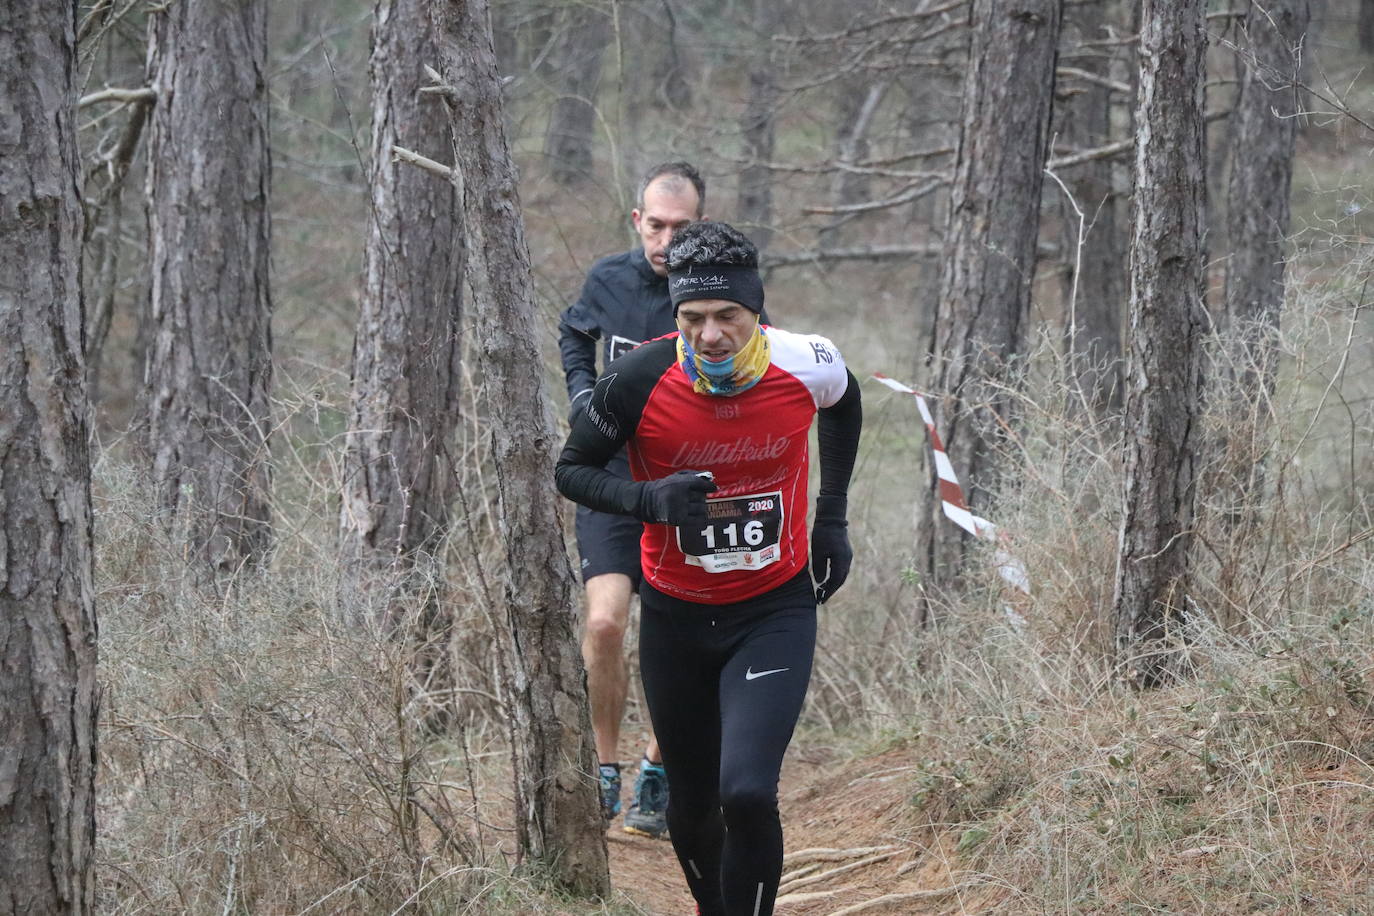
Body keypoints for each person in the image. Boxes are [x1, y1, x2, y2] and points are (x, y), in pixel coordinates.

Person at [556, 221, 862, 916]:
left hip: (772, 610)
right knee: (691, 813)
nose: (712, 335)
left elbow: (845, 404)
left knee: (747, 792)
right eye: (693, 318)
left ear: (758, 312)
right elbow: (570, 471)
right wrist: (644, 500)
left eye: (729, 316)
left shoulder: (806, 361)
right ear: (675, 317)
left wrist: (831, 518)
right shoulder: (637, 377)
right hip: (677, 617)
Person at [561, 162, 775, 838]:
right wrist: (579, 393)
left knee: (690, 638)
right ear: (637, 221)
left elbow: (768, 365)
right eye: (656, 225)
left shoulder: (720, 298)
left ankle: (660, 766)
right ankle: (605, 766)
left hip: (695, 484)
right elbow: (574, 332)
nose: (666, 238)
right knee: (603, 624)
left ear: (701, 226)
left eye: (681, 227)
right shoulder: (608, 280)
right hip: (620, 479)